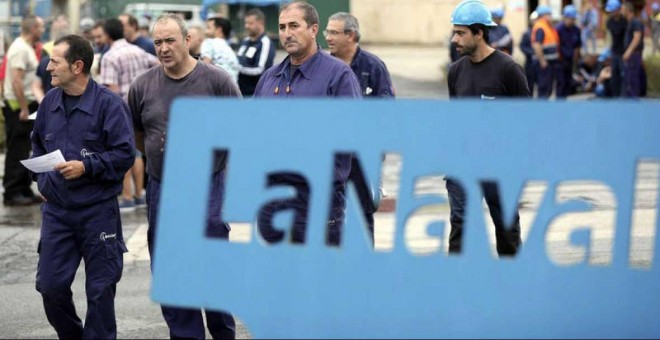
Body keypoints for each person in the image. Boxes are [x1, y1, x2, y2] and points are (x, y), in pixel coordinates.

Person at [128, 13, 241, 339]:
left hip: (208, 183)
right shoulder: (143, 85)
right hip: (163, 186)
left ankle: (222, 331)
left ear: (187, 40)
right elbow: (138, 135)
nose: (163, 48)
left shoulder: (216, 81)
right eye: (158, 42)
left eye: (170, 40)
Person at [31, 34, 135, 339]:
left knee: (101, 292)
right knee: (50, 287)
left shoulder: (109, 105)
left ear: (77, 66)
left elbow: (124, 154)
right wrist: (41, 179)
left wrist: (86, 166)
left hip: (97, 212)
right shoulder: (50, 102)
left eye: (55, 61)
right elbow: (37, 145)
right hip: (57, 213)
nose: (48, 67)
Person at [253, 1, 361, 245]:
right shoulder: (270, 78)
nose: (287, 33)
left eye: (294, 25)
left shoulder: (338, 75)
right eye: (282, 27)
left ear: (313, 29)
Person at [447, 0, 528, 256]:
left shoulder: (508, 69)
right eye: (454, 32)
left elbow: (529, 121)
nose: (454, 39)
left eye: (460, 33)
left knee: (506, 229)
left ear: (479, 33)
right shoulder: (456, 71)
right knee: (460, 226)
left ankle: (511, 282)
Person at [325, 11, 394, 242]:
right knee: (329, 216)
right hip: (331, 157)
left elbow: (386, 113)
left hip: (363, 158)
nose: (328, 37)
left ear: (351, 35)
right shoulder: (323, 67)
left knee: (362, 217)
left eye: (334, 32)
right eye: (327, 32)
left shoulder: (373, 67)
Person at [100, 18, 158, 212]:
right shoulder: (138, 50)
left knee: (122, 152)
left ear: (107, 35)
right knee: (138, 153)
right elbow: (157, 65)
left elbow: (112, 90)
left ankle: (126, 197)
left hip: (122, 109)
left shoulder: (109, 57)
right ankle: (139, 194)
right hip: (144, 106)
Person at [3, 15, 45, 206]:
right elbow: (16, 81)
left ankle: (24, 188)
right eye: (41, 27)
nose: (43, 31)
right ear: (33, 28)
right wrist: (23, 108)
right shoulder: (20, 48)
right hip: (18, 106)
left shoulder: (25, 47)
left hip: (25, 105)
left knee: (25, 148)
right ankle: (12, 192)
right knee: (17, 150)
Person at [237, 8, 276, 96]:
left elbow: (261, 70)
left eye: (250, 23)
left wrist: (238, 68)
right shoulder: (245, 41)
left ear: (261, 23)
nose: (246, 26)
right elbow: (238, 59)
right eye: (245, 23)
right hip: (240, 94)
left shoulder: (265, 43)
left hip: (255, 95)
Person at [532, 5, 562, 99]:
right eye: (549, 14)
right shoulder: (541, 27)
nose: (551, 16)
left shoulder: (547, 26)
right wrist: (542, 61)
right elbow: (537, 45)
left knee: (548, 88)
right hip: (544, 64)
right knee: (544, 88)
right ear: (544, 15)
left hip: (550, 62)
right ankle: (542, 110)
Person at [202, 16, 241, 83]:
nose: (205, 31)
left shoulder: (208, 42)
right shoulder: (230, 51)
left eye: (208, 28)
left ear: (219, 30)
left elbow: (205, 66)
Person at [556, 5, 582, 98]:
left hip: (570, 61)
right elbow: (556, 45)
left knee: (568, 82)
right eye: (571, 19)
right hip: (560, 61)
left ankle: (565, 104)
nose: (572, 21)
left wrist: (576, 59)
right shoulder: (558, 29)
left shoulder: (576, 30)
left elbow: (577, 45)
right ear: (565, 17)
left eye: (574, 19)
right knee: (561, 82)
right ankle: (559, 104)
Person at [621, 1, 644, 98]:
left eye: (622, 9)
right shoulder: (629, 23)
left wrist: (628, 52)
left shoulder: (635, 22)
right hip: (631, 55)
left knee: (632, 79)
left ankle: (634, 101)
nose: (621, 12)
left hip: (633, 54)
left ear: (628, 10)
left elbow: (636, 38)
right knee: (628, 79)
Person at [605, 0, 627, 97]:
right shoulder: (609, 22)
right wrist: (608, 52)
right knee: (615, 76)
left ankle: (624, 97)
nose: (611, 14)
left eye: (612, 11)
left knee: (624, 75)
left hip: (624, 53)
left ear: (618, 10)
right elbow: (609, 37)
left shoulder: (625, 21)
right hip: (614, 52)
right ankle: (615, 97)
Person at [520, 11, 538, 94]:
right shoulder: (527, 33)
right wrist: (531, 53)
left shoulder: (540, 31)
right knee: (529, 85)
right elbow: (522, 46)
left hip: (539, 63)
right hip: (530, 63)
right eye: (534, 20)